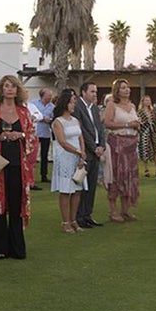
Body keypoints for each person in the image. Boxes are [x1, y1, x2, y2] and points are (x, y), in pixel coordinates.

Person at [0, 75, 37, 258]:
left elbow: (33, 136)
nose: (10, 89)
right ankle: (0, 249)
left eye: (13, 86)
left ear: (18, 90)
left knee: (16, 205)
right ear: (1, 90)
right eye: (6, 86)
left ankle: (17, 247)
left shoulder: (24, 113)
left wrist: (21, 136)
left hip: (18, 165)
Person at [102, 79, 140, 222]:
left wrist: (136, 125)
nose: (127, 90)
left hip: (131, 145)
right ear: (117, 91)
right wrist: (127, 124)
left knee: (129, 176)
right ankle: (113, 211)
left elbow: (135, 123)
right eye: (123, 88)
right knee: (117, 175)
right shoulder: (112, 104)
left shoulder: (132, 105)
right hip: (117, 144)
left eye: (128, 87)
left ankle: (125, 210)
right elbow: (107, 123)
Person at [50, 88, 86, 233]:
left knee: (77, 190)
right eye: (71, 102)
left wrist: (82, 153)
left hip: (78, 156)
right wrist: (77, 151)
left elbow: (80, 138)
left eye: (74, 102)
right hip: (65, 157)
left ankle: (73, 220)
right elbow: (62, 142)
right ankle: (65, 221)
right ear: (65, 103)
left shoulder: (76, 120)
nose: (73, 105)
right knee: (66, 190)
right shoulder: (58, 122)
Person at [75, 82, 106, 229]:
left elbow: (99, 128)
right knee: (82, 185)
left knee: (92, 185)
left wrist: (102, 146)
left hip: (96, 151)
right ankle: (79, 216)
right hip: (85, 151)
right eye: (92, 91)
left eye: (96, 91)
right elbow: (81, 131)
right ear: (83, 92)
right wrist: (93, 147)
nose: (95, 94)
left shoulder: (94, 108)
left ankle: (88, 215)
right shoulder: (77, 107)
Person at [31, 87, 55, 184]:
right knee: (32, 155)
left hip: (45, 133)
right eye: (48, 95)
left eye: (51, 95)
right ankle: (31, 176)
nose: (50, 97)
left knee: (44, 156)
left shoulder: (52, 107)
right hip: (35, 133)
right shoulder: (33, 104)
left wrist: (50, 120)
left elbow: (54, 119)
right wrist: (41, 118)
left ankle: (44, 175)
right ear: (43, 95)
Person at [137, 94, 156, 178]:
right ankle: (146, 170)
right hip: (144, 132)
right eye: (146, 100)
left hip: (153, 132)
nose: (148, 102)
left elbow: (155, 121)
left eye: (149, 100)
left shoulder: (152, 111)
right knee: (145, 149)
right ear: (143, 102)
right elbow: (139, 123)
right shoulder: (140, 112)